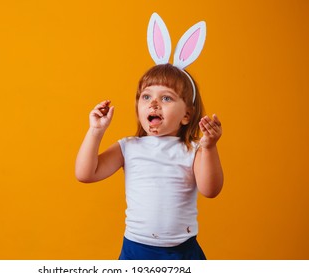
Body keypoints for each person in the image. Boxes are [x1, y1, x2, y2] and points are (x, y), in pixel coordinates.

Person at [75, 63, 223, 260]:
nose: (154, 104)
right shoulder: (128, 147)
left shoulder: (193, 150)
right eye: (146, 96)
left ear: (186, 115)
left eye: (166, 98)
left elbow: (210, 190)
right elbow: (86, 174)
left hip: (182, 251)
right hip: (136, 249)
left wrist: (210, 147)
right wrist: (96, 131)